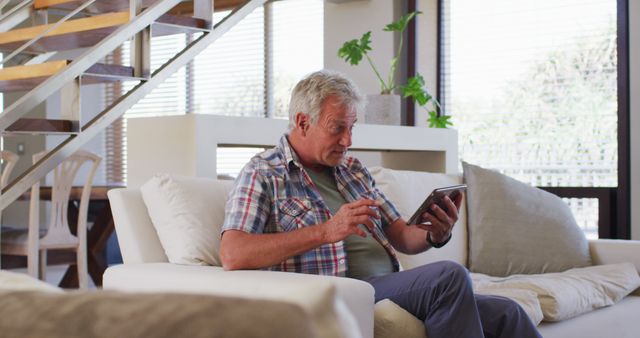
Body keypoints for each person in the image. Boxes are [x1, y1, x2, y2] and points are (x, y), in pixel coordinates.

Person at [219, 70, 541, 338]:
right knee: (448, 277)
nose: (348, 140)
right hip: (339, 292)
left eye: (352, 127)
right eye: (338, 128)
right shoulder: (264, 172)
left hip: (387, 286)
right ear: (303, 122)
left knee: (507, 313)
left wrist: (434, 234)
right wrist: (327, 230)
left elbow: (401, 234)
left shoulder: (353, 170)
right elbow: (233, 253)